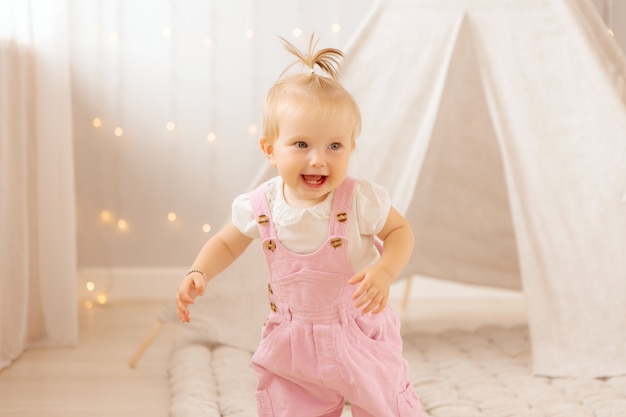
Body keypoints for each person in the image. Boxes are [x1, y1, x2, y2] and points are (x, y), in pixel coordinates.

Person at [176, 34, 424, 417]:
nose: (318, 160)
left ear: (351, 147)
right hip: (293, 341)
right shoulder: (262, 206)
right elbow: (227, 242)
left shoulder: (359, 199)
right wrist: (198, 270)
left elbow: (400, 233)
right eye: (302, 145)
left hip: (357, 332)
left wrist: (384, 271)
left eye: (334, 147)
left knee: (384, 405)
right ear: (270, 150)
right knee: (292, 407)